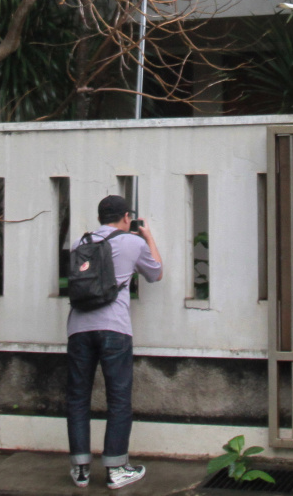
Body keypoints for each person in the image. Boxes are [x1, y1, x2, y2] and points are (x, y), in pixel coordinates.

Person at [67, 194, 163, 489]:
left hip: (78, 328)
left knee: (78, 397)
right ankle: (116, 468)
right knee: (118, 398)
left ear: (99, 217)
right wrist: (147, 237)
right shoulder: (132, 243)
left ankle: (81, 469)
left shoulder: (80, 244)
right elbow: (156, 273)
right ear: (126, 217)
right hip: (114, 329)